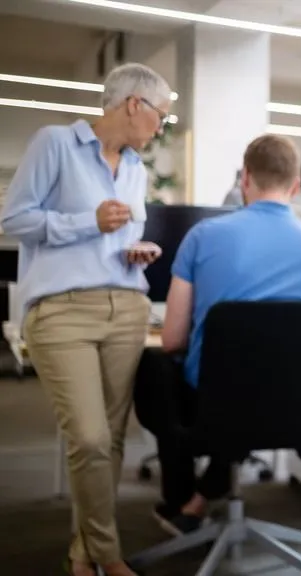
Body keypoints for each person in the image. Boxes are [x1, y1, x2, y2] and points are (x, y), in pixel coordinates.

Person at [0, 62, 170, 576]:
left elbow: (115, 238)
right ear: (134, 104)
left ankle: (81, 554)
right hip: (61, 311)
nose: (162, 125)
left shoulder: (137, 168)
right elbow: (12, 220)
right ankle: (108, 555)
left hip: (127, 306)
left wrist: (134, 249)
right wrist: (85, 222)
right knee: (90, 438)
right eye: (161, 114)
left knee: (110, 442)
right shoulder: (56, 143)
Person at [132, 134, 301, 536]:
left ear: (245, 179)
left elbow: (171, 338)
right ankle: (203, 495)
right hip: (288, 402)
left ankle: (181, 498)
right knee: (251, 379)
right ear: (295, 186)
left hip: (212, 401)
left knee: (157, 367)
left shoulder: (204, 237)